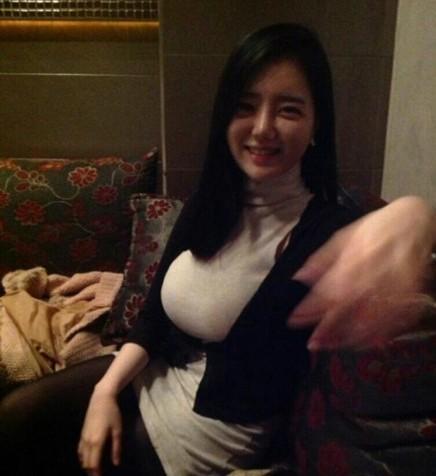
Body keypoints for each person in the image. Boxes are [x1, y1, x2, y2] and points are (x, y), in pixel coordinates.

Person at [0, 23, 435, 476]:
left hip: (212, 428)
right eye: (246, 106)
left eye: (288, 110)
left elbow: (390, 246)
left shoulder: (324, 229)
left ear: (315, 125)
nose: (262, 128)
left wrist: (418, 214)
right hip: (157, 374)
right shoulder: (211, 202)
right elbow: (153, 317)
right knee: (16, 415)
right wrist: (105, 391)